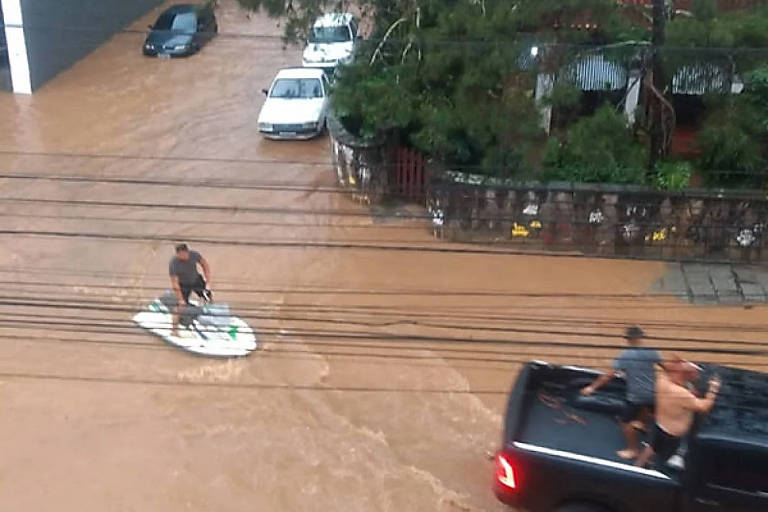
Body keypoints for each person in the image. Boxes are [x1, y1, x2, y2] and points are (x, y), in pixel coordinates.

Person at [581, 326, 661, 460]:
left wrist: (591, 388)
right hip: (653, 393)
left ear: (628, 339)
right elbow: (667, 367)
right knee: (649, 411)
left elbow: (608, 376)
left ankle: (632, 449)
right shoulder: (652, 352)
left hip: (636, 395)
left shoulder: (626, 356)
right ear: (641, 338)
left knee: (625, 422)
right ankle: (643, 426)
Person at [636, 358, 720, 469]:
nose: (698, 376)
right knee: (663, 458)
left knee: (651, 448)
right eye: (695, 374)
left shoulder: (663, 379)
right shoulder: (681, 393)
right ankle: (656, 474)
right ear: (685, 375)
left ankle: (638, 467)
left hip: (660, 424)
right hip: (672, 435)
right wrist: (713, 389)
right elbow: (704, 407)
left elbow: (668, 367)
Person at [168, 243, 212, 336]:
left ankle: (210, 317)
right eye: (180, 255)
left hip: (196, 280)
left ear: (187, 251)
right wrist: (180, 298)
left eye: (184, 254)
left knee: (208, 297)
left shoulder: (194, 255)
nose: (183, 257)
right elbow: (174, 282)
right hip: (183, 285)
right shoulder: (174, 263)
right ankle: (174, 330)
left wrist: (208, 282)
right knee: (180, 307)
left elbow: (205, 265)